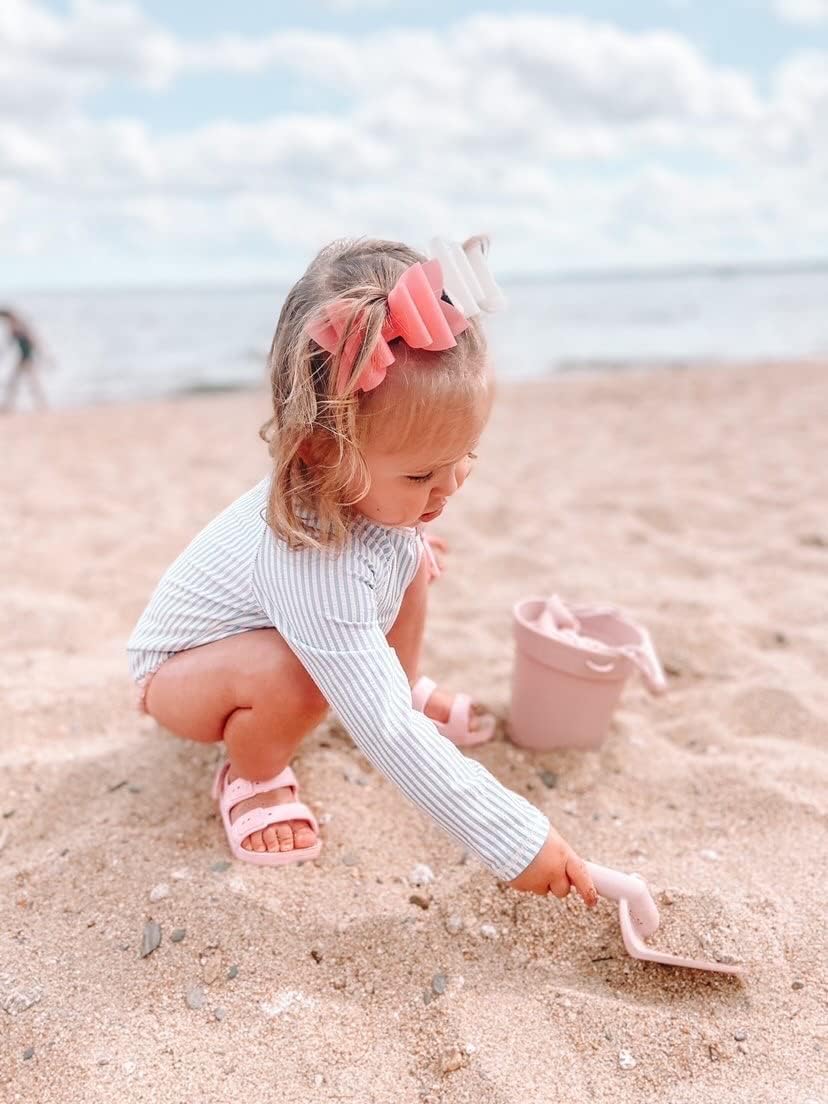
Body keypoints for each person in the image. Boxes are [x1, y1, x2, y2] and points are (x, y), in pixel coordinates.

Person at [127, 235, 597, 906]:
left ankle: (401, 680)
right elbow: (384, 732)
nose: (452, 486)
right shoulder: (308, 558)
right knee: (297, 675)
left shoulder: (369, 490)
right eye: (420, 474)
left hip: (274, 636)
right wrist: (516, 840)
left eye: (465, 455)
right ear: (321, 451)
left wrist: (410, 546)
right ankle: (251, 774)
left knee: (413, 554)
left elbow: (400, 540)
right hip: (183, 675)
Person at [0, 308, 48, 413]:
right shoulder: (15, 326)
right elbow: (10, 344)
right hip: (23, 358)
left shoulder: (18, 326)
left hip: (26, 358)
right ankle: (41, 405)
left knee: (20, 382)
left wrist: (44, 356)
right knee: (18, 382)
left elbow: (33, 341)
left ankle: (7, 406)